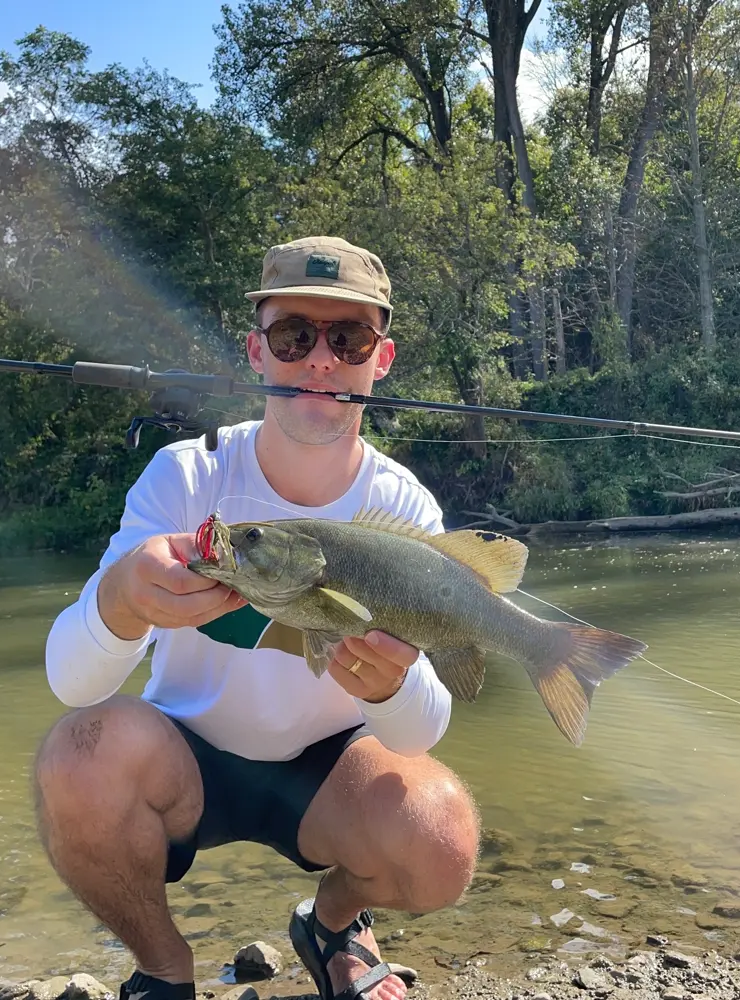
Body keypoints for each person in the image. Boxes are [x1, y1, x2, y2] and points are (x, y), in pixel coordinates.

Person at [36, 236, 481, 1000]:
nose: (319, 360)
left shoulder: (404, 507)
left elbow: (419, 734)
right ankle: (164, 966)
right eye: (292, 335)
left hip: (330, 768)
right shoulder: (186, 474)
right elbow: (71, 683)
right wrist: (118, 601)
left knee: (441, 842)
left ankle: (332, 923)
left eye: (348, 339)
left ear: (383, 358)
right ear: (256, 351)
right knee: (75, 756)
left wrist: (391, 686)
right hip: (185, 757)